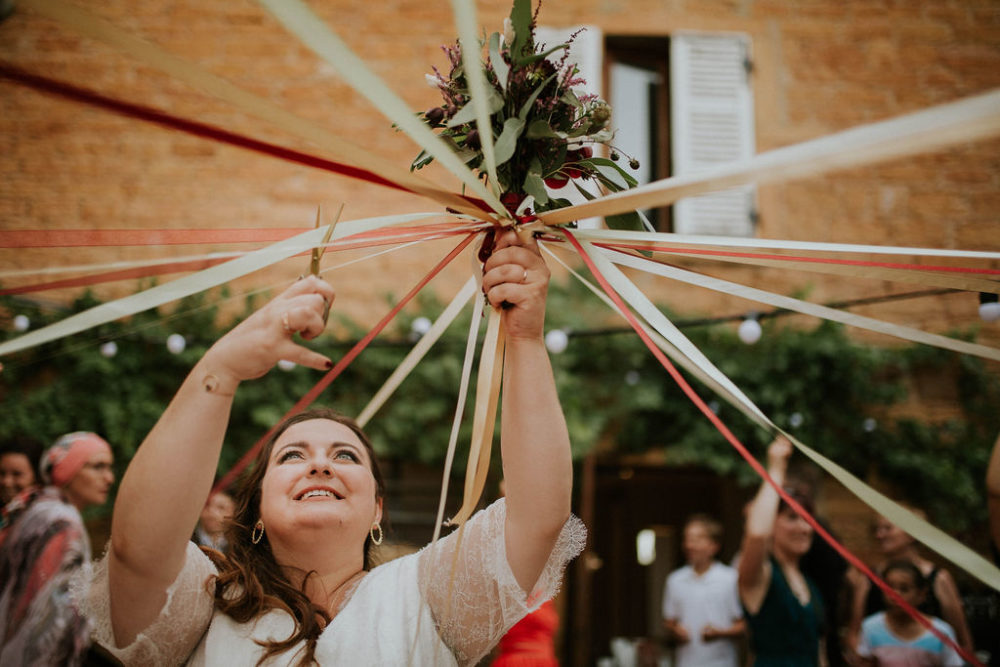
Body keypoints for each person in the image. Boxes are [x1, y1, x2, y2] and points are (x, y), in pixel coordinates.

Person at [77, 229, 585, 665]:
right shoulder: (205, 603)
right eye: (292, 455)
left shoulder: (431, 596)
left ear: (376, 510)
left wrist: (525, 339)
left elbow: (538, 517)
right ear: (254, 509)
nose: (320, 463)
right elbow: (138, 552)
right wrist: (223, 368)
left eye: (346, 456)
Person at [0, 431, 116, 666]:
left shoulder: (41, 508)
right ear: (68, 471)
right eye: (97, 467)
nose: (109, 478)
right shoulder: (62, 526)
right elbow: (48, 617)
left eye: (109, 467)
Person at [738, 435, 824, 666]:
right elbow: (757, 534)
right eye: (792, 518)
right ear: (771, 524)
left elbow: (819, 653)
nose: (804, 528)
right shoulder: (761, 576)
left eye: (808, 520)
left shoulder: (811, 585)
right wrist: (776, 468)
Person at [846, 511, 974, 657]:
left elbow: (962, 639)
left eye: (888, 529)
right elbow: (854, 633)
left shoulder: (939, 578)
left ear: (912, 532)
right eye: (877, 530)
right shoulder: (868, 578)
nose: (879, 535)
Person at [662, 514, 745, 667]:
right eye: (687, 539)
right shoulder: (675, 580)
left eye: (697, 539)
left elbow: (744, 625)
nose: (689, 545)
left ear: (714, 546)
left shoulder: (730, 578)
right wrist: (676, 630)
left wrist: (720, 633)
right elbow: (669, 621)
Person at [856, 560, 963, 667]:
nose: (895, 595)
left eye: (904, 589)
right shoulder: (870, 627)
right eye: (889, 588)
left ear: (921, 594)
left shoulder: (941, 632)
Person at [0, 435, 43, 505]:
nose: (7, 482)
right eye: (2, 473)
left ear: (37, 477)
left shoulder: (50, 513)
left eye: (17, 474)